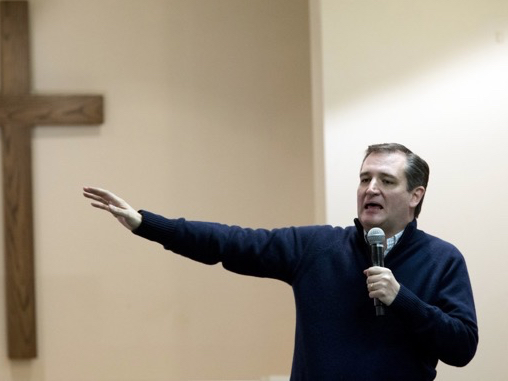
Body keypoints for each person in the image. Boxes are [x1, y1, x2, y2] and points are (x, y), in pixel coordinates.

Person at [82, 143, 478, 380]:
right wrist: (146, 224)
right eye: (364, 178)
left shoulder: (442, 259)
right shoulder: (317, 248)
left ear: (415, 196)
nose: (370, 188)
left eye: (386, 181)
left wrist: (402, 299)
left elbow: (462, 347)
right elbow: (231, 243)